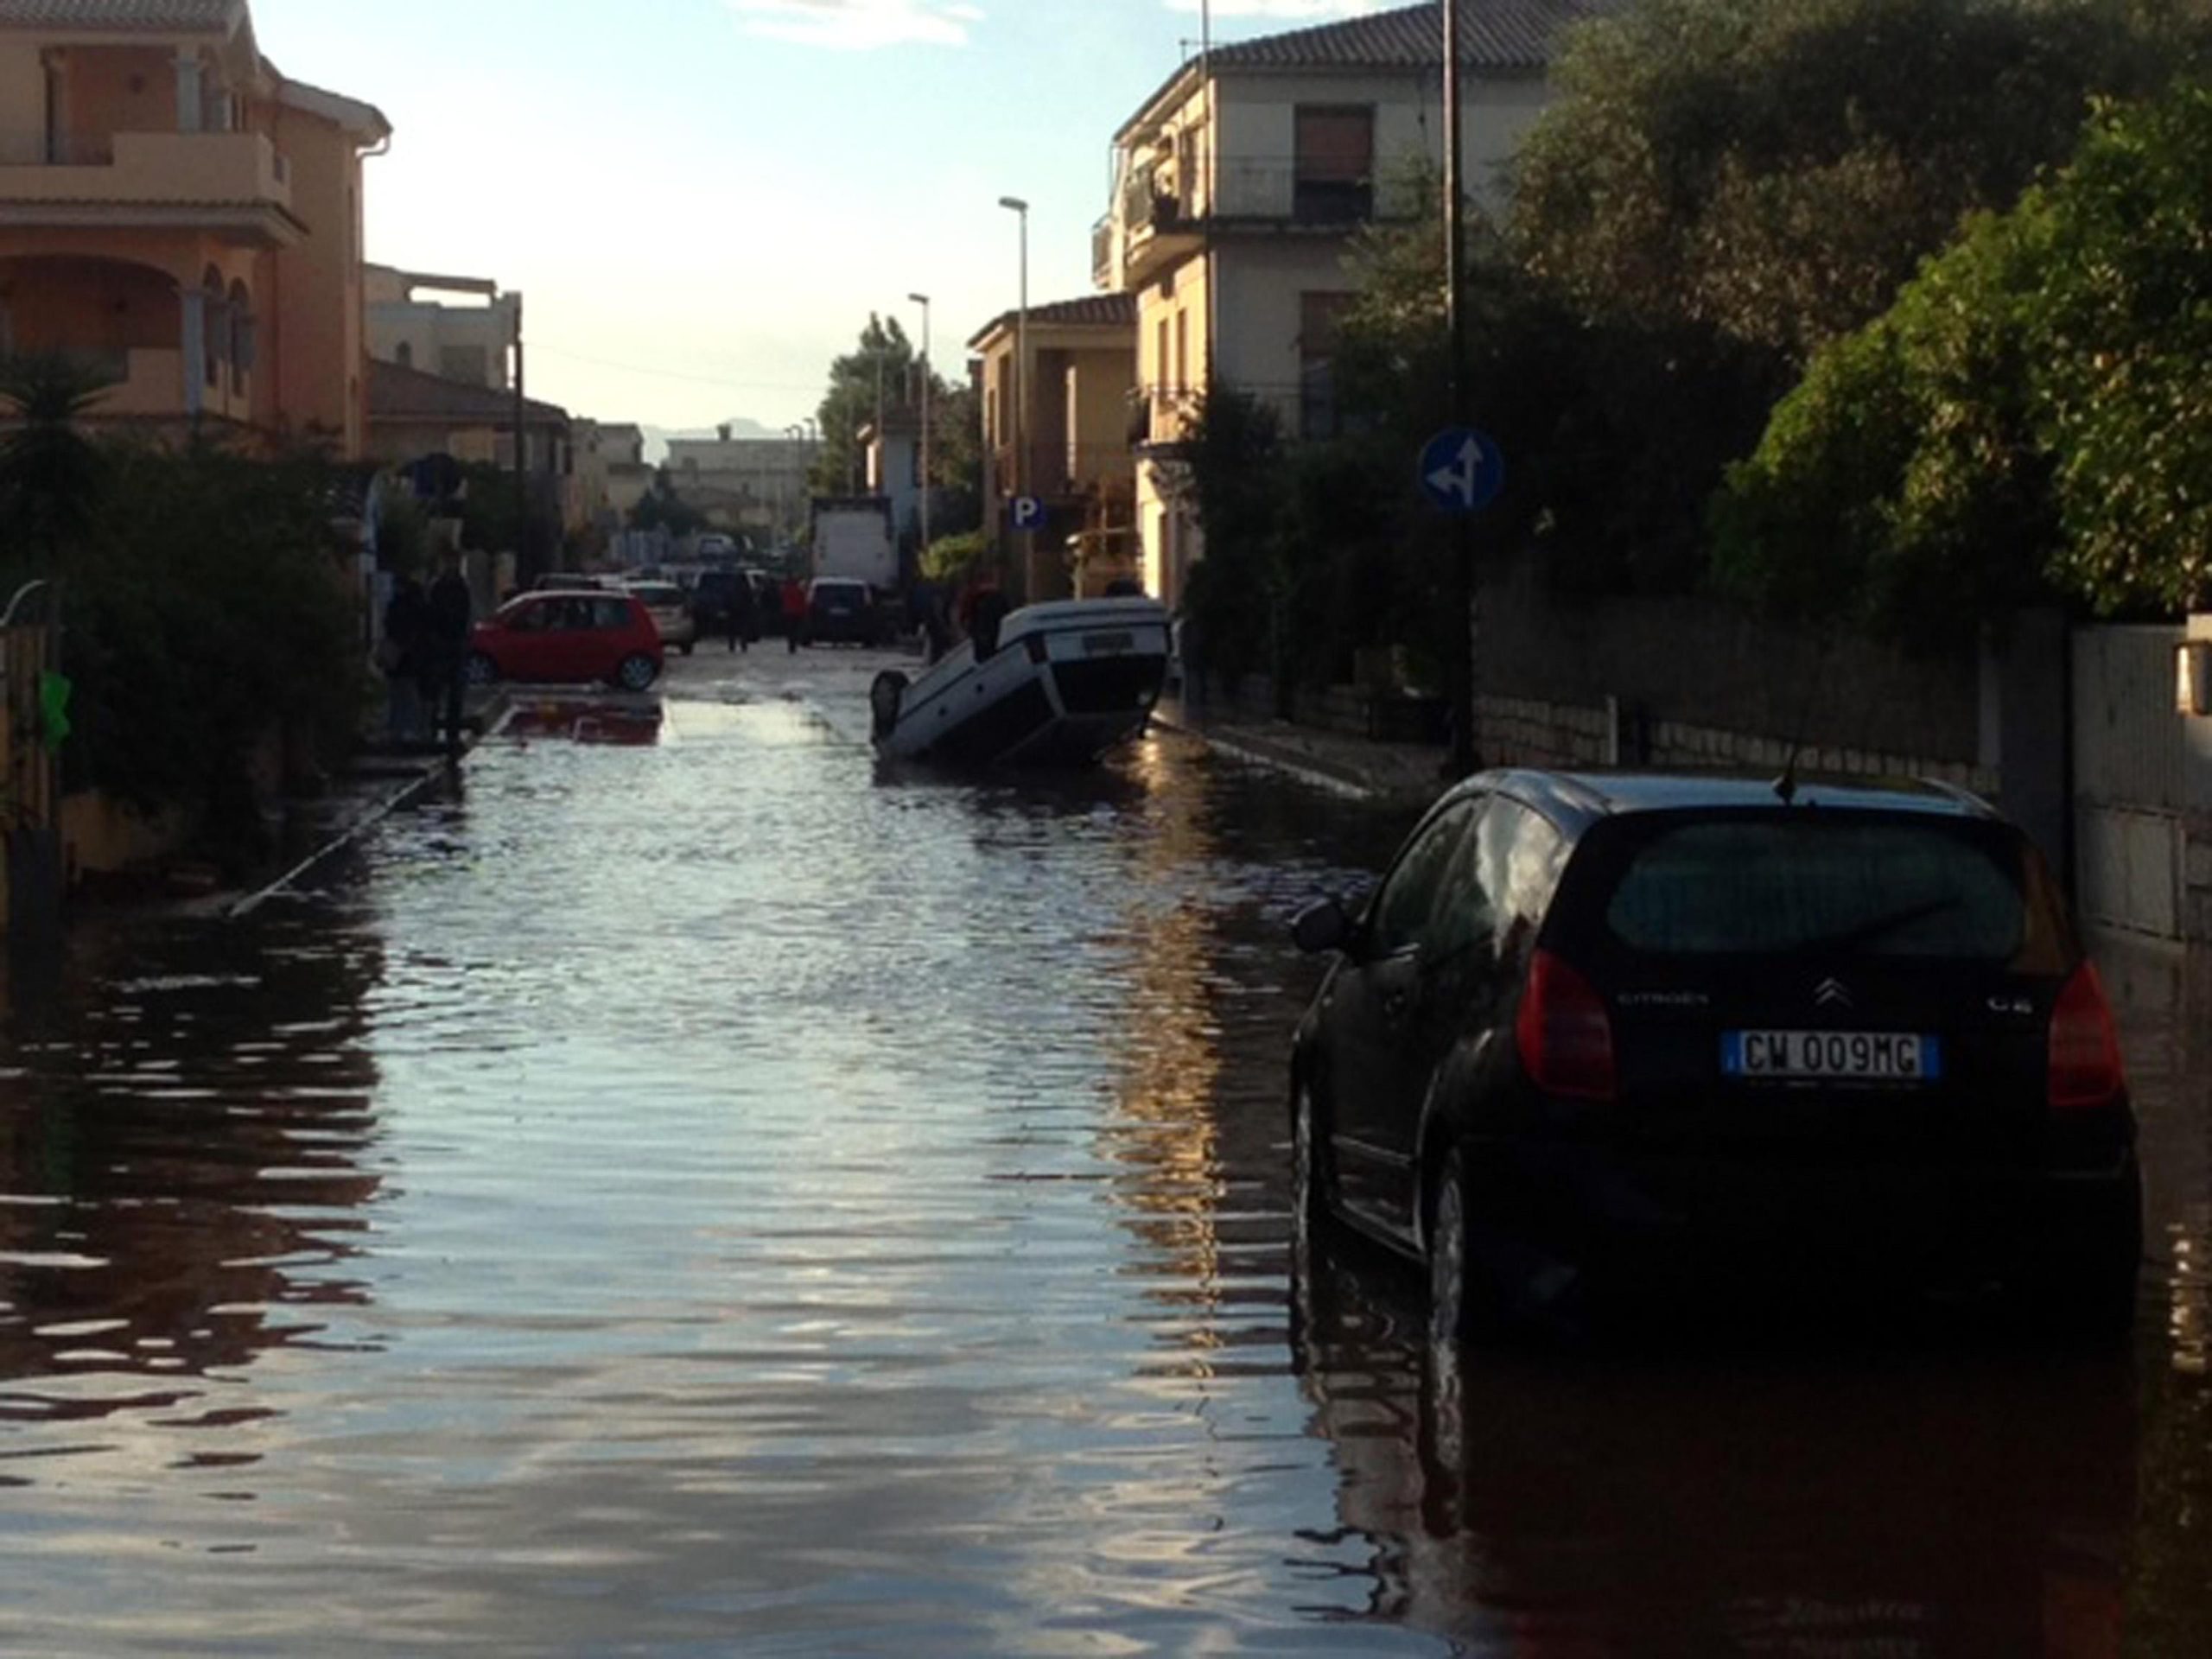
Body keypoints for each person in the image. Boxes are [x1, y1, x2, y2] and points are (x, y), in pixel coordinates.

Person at [424, 550, 474, 753]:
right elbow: (433, 614)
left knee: (451, 691)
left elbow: (465, 614)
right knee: (440, 690)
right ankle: (437, 728)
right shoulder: (442, 586)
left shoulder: (457, 587)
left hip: (452, 644)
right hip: (445, 644)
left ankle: (445, 730)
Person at [381, 575, 429, 742]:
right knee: (403, 693)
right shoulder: (411, 606)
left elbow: (390, 625)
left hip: (404, 656)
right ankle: (403, 728)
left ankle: (400, 727)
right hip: (406, 657)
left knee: (401, 693)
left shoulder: (402, 606)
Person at [726, 571, 757, 653]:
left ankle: (732, 646)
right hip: (744, 611)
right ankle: (743, 645)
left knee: (732, 629)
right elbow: (751, 600)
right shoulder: (746, 588)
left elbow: (727, 600)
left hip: (733, 611)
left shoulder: (732, 587)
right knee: (743, 629)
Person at [781, 575, 808, 652]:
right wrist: (804, 613)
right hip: (797, 613)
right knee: (795, 630)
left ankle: (791, 644)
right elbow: (803, 602)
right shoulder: (799, 591)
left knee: (790, 630)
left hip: (788, 613)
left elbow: (783, 601)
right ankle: (793, 644)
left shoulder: (786, 591)